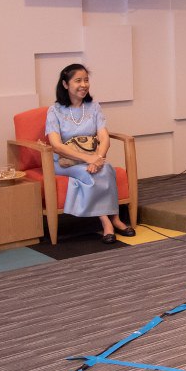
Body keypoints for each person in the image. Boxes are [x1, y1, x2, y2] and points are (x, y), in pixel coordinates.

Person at [45, 63, 135, 243]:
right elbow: (56, 146)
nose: (84, 85)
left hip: (93, 158)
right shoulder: (54, 111)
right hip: (64, 162)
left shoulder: (94, 107)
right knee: (90, 172)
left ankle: (115, 218)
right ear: (65, 84)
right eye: (78, 80)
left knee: (106, 168)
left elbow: (104, 137)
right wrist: (90, 159)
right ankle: (107, 222)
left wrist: (99, 158)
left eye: (86, 80)